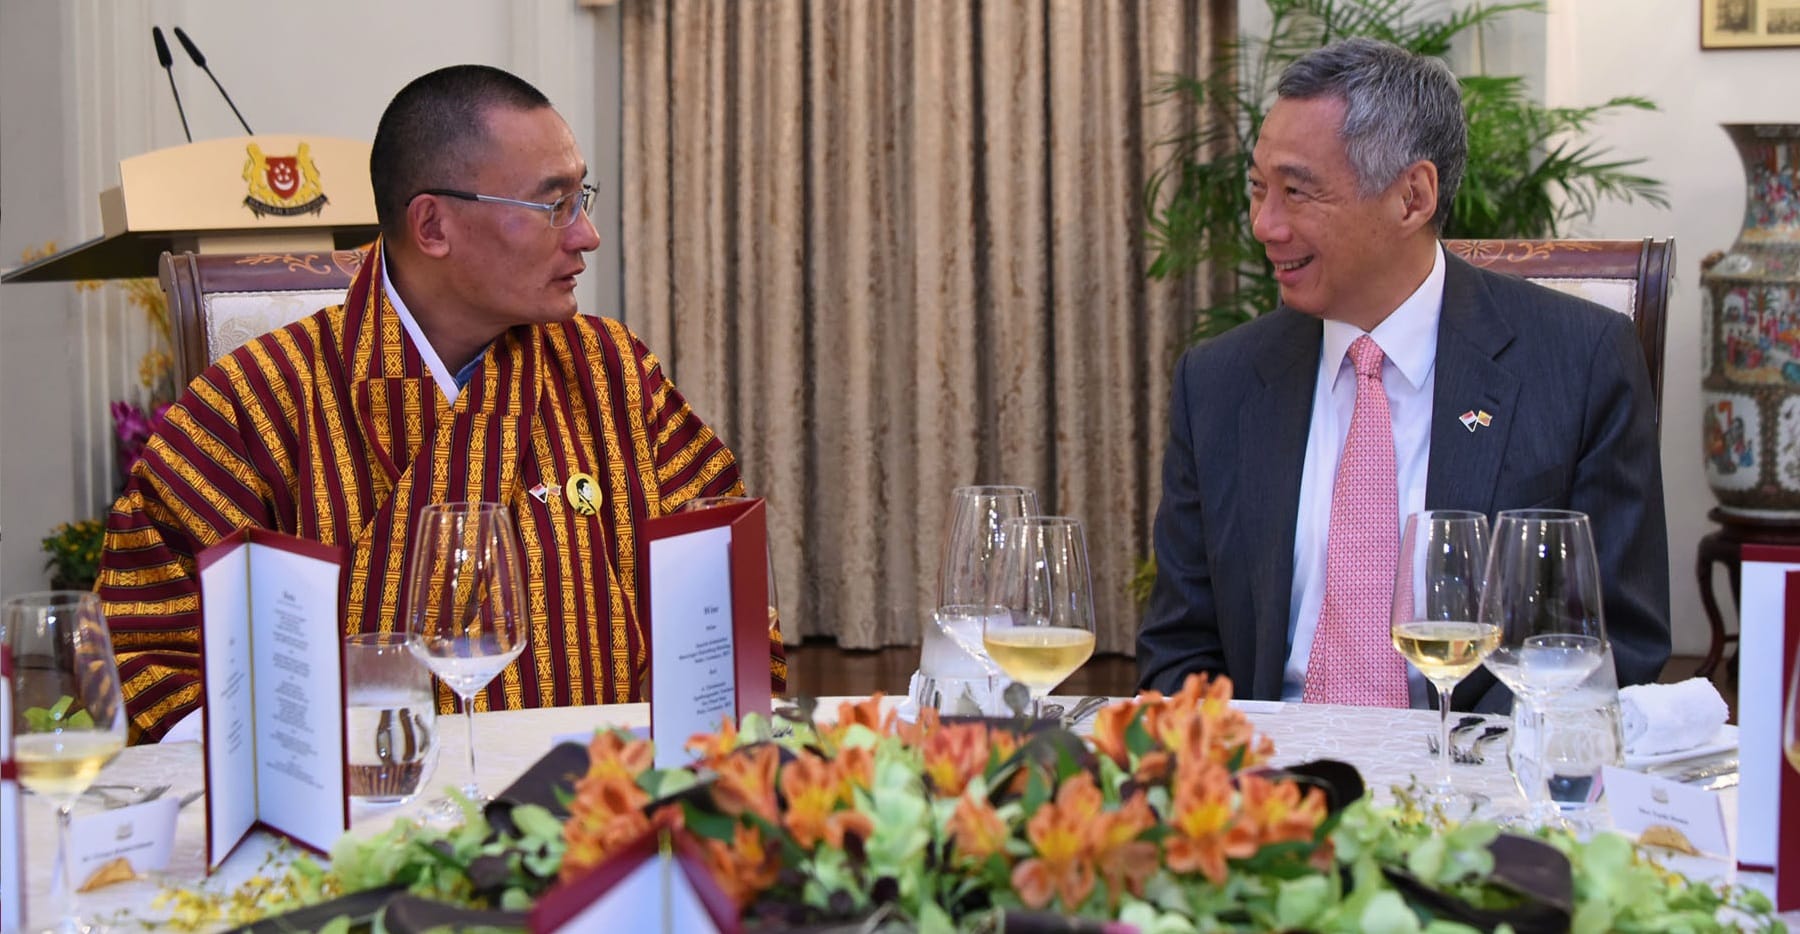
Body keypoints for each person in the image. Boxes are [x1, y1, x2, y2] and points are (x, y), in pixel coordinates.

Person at [98, 64, 785, 743]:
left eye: (584, 198)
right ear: (432, 225)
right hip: (357, 824)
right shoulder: (251, 403)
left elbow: (724, 604)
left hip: (588, 815)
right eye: (554, 206)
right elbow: (157, 661)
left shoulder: (613, 374)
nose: (586, 235)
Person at [1135, 38, 1669, 712]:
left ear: (1413, 196)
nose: (1264, 225)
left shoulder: (1579, 362)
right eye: (1258, 188)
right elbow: (1179, 650)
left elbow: (1615, 647)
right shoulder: (1220, 382)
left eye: (1297, 192)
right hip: (1268, 785)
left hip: (1481, 785)